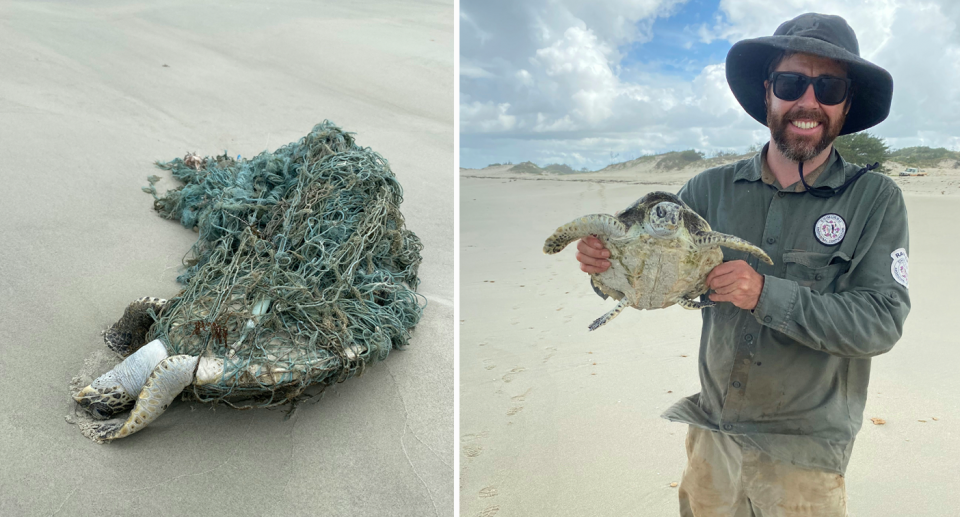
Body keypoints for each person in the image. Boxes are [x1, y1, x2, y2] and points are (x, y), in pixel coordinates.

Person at [576, 13, 909, 517]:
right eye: (792, 82)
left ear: (847, 103)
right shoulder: (706, 192)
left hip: (804, 454)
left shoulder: (875, 199)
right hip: (713, 434)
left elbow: (881, 322)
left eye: (830, 86)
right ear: (768, 91)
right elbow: (660, 284)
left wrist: (764, 294)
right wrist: (607, 270)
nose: (808, 102)